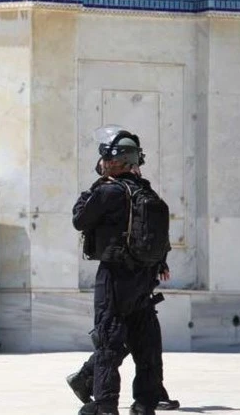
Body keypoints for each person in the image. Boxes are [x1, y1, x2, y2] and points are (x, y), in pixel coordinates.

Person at [66, 162, 180, 411]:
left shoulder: (109, 191)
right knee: (145, 342)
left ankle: (105, 406)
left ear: (113, 163)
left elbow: (80, 219)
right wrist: (160, 262)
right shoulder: (148, 192)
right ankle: (145, 404)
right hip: (145, 277)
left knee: (109, 340)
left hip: (116, 276)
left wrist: (91, 190)